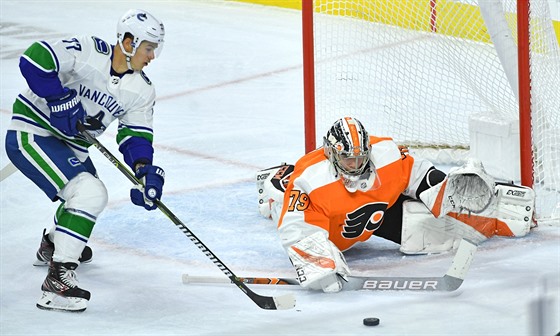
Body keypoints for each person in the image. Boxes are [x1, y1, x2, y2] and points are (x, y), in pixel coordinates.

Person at [256, 117, 535, 293]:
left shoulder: (386, 154)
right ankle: (275, 182)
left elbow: (417, 173)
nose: (355, 165)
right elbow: (297, 228)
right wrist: (317, 261)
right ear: (331, 154)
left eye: (360, 157)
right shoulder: (309, 181)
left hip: (372, 212)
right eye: (347, 159)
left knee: (424, 228)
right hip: (330, 229)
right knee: (281, 202)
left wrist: (445, 189)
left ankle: (496, 216)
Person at [4, 9, 166, 312]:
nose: (152, 56)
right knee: (90, 192)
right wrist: (57, 97)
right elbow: (34, 58)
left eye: (155, 48)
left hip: (73, 147)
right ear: (128, 42)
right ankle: (57, 283)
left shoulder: (141, 89)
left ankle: (54, 243)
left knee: (87, 195)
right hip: (33, 131)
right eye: (148, 47)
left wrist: (144, 170)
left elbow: (135, 136)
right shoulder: (90, 51)